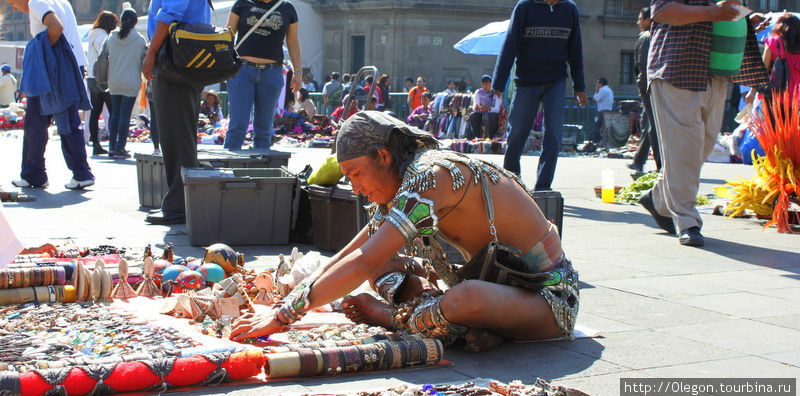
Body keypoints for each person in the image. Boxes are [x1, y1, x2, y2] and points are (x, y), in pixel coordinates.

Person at [229, 111, 579, 352]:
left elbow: (361, 263)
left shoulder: (430, 176)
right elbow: (350, 255)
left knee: (464, 297)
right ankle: (482, 328)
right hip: (499, 291)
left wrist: (279, 319)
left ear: (383, 156)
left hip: (547, 301)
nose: (354, 188)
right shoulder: (403, 184)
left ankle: (391, 317)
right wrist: (287, 302)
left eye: (355, 174)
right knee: (384, 262)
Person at [639, 0, 768, 247]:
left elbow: (723, 11)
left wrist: (744, 17)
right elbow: (662, 10)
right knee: (685, 149)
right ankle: (687, 221)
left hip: (718, 75)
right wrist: (712, 12)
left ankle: (658, 200)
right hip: (680, 71)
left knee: (701, 147)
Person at [141, 0, 214, 225]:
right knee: (177, 132)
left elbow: (169, 15)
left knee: (175, 134)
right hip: (183, 63)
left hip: (175, 62)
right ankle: (181, 202)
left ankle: (178, 206)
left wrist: (151, 53)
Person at [492, 0, 587, 190]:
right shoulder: (525, 6)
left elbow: (576, 51)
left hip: (555, 80)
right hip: (527, 81)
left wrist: (580, 86)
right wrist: (498, 82)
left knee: (553, 136)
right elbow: (509, 45)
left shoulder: (570, 10)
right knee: (516, 136)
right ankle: (513, 186)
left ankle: (543, 187)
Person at [3, 0, 95, 190]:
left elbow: (56, 27)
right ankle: (80, 172)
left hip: (53, 69)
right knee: (68, 121)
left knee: (36, 122)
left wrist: (43, 51)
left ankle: (36, 174)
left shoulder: (37, 2)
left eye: (12, 3)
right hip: (72, 65)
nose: (14, 8)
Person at [223, 0, 302, 151]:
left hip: (272, 73)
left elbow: (292, 41)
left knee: (264, 129)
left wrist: (298, 71)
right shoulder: (242, 3)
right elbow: (228, 34)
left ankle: (261, 175)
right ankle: (224, 175)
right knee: (237, 127)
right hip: (242, 71)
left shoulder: (287, 8)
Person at [96, 6, 146, 160]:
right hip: (131, 82)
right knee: (125, 115)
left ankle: (111, 147)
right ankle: (120, 148)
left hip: (114, 81)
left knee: (115, 114)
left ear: (122, 20)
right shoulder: (139, 40)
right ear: (135, 23)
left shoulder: (111, 37)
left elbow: (102, 57)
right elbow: (144, 61)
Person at [629, 7, 662, 173]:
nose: (637, 22)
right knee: (648, 123)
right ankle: (639, 160)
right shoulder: (656, 35)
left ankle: (660, 164)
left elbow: (640, 64)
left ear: (648, 20)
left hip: (647, 85)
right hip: (652, 84)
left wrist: (642, 81)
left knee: (652, 124)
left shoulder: (645, 36)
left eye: (640, 19)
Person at [85, 11, 117, 155]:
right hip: (103, 78)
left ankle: (96, 144)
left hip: (92, 76)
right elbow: (106, 56)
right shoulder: (103, 37)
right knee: (113, 110)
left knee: (95, 111)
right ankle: (114, 143)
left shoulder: (92, 34)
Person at [751, 13, 800, 98]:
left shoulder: (773, 42)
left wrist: (752, 92)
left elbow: (763, 70)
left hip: (774, 96)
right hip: (795, 98)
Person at [468, 75, 501, 139]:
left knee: (493, 115)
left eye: (487, 84)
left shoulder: (496, 93)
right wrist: (476, 107)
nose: (485, 86)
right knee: (474, 115)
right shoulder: (478, 92)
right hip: (482, 113)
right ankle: (478, 136)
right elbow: (475, 103)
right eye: (483, 84)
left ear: (491, 84)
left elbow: (497, 109)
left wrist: (488, 108)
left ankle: (491, 137)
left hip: (493, 115)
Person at [592, 77, 614, 147]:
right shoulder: (609, 90)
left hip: (603, 111)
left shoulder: (602, 90)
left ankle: (597, 142)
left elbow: (595, 98)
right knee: (604, 127)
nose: (597, 84)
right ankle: (604, 142)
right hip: (609, 110)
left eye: (598, 83)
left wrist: (596, 90)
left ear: (601, 83)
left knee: (597, 127)